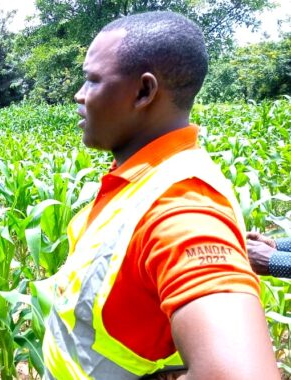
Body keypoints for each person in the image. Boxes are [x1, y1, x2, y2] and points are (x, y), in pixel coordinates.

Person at [38, 11, 279, 379]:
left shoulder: (181, 207)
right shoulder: (145, 179)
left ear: (144, 92)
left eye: (92, 80)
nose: (79, 94)